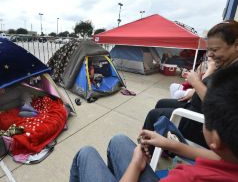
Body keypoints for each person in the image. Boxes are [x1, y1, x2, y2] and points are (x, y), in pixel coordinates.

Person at [69, 64, 238, 182]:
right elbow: (219, 158)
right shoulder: (231, 158)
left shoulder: (188, 178)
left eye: (206, 115)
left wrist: (136, 164)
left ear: (215, 138)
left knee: (85, 153)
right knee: (119, 140)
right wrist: (168, 143)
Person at [143, 20, 238, 147]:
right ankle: (159, 145)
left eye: (215, 49)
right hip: (195, 106)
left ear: (236, 45)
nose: (209, 54)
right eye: (208, 50)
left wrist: (196, 82)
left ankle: (145, 151)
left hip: (200, 122)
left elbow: (221, 109)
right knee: (161, 103)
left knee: (153, 115)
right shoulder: (227, 65)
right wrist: (194, 91)